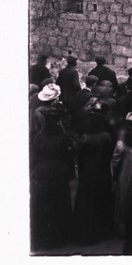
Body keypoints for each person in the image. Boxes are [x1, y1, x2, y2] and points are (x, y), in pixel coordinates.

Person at [29, 102, 74, 250]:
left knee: (43, 204)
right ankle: (60, 236)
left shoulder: (39, 137)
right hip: (59, 172)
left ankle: (43, 236)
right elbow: (69, 156)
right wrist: (70, 173)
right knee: (59, 204)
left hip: (42, 173)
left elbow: (34, 157)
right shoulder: (64, 136)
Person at [73, 102, 115, 246]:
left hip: (88, 173)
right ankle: (103, 231)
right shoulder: (107, 136)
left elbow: (79, 156)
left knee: (86, 203)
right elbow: (110, 155)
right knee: (101, 201)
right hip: (102, 172)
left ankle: (85, 233)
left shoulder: (84, 138)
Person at [111, 112, 132, 236]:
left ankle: (123, 228)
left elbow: (117, 153)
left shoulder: (123, 134)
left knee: (125, 192)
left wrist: (114, 171)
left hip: (127, 165)